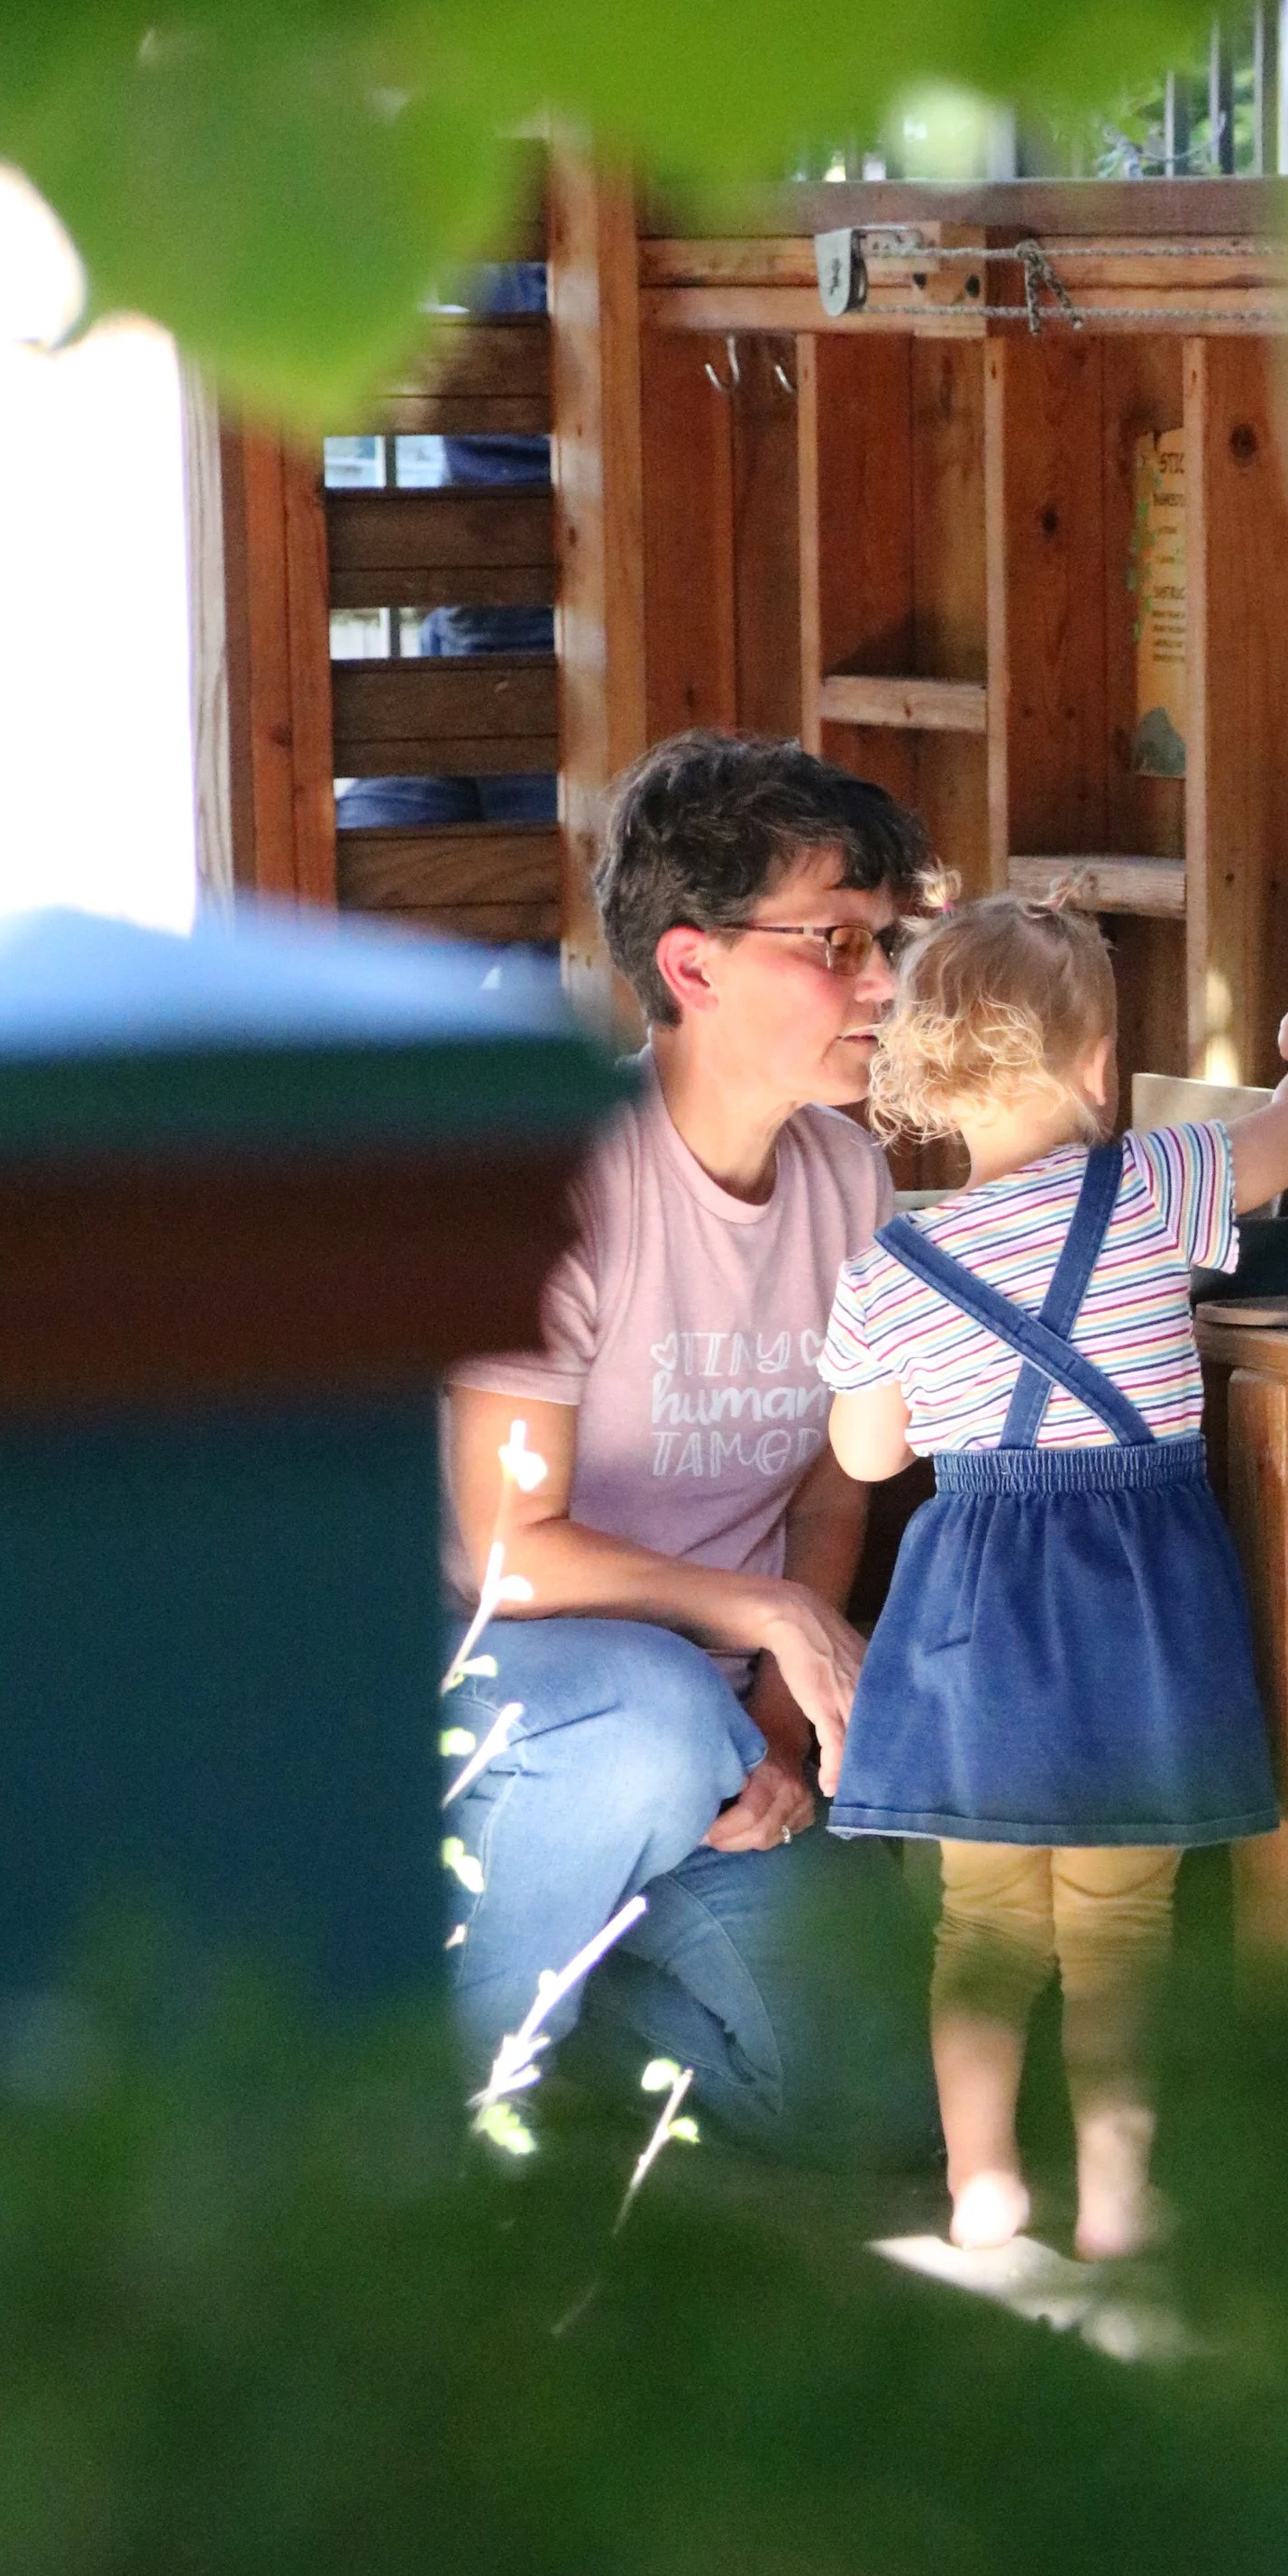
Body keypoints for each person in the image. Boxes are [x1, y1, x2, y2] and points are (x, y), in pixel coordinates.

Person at [818, 895, 1288, 2256]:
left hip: (970, 1616)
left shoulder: (890, 1264)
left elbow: (869, 1449)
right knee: (1122, 1916)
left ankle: (983, 2180)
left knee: (981, 1921)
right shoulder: (1157, 1182)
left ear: (931, 1086)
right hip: (1133, 1605)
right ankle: (1119, 2195)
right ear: (1099, 1068)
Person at [440, 732, 941, 2163]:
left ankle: (567, 2009)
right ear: (693, 965)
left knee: (869, 2100)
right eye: (836, 940)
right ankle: (411, 2110)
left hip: (713, 1737)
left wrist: (783, 1729)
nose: (884, 984)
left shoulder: (853, 1179)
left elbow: (835, 1480)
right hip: (511, 1717)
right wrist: (768, 1619)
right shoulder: (562, 1181)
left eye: (886, 940)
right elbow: (502, 1551)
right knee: (650, 1722)